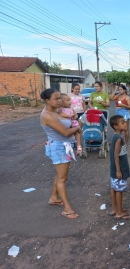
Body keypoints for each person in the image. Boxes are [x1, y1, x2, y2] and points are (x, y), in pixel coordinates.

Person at [40, 88, 81, 219]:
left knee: (60, 175)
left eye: (60, 98)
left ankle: (54, 197)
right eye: (56, 99)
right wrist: (78, 127)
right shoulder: (47, 115)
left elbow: (68, 119)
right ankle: (67, 209)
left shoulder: (57, 111)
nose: (59, 101)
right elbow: (65, 132)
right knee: (63, 178)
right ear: (47, 100)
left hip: (64, 146)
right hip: (58, 147)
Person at [108, 115, 130, 220]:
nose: (125, 124)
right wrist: (119, 170)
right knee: (119, 190)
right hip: (119, 169)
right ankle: (119, 212)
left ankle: (115, 209)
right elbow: (116, 155)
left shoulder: (116, 137)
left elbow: (126, 143)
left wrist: (126, 131)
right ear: (116, 126)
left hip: (114, 169)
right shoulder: (118, 139)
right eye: (122, 123)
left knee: (114, 188)